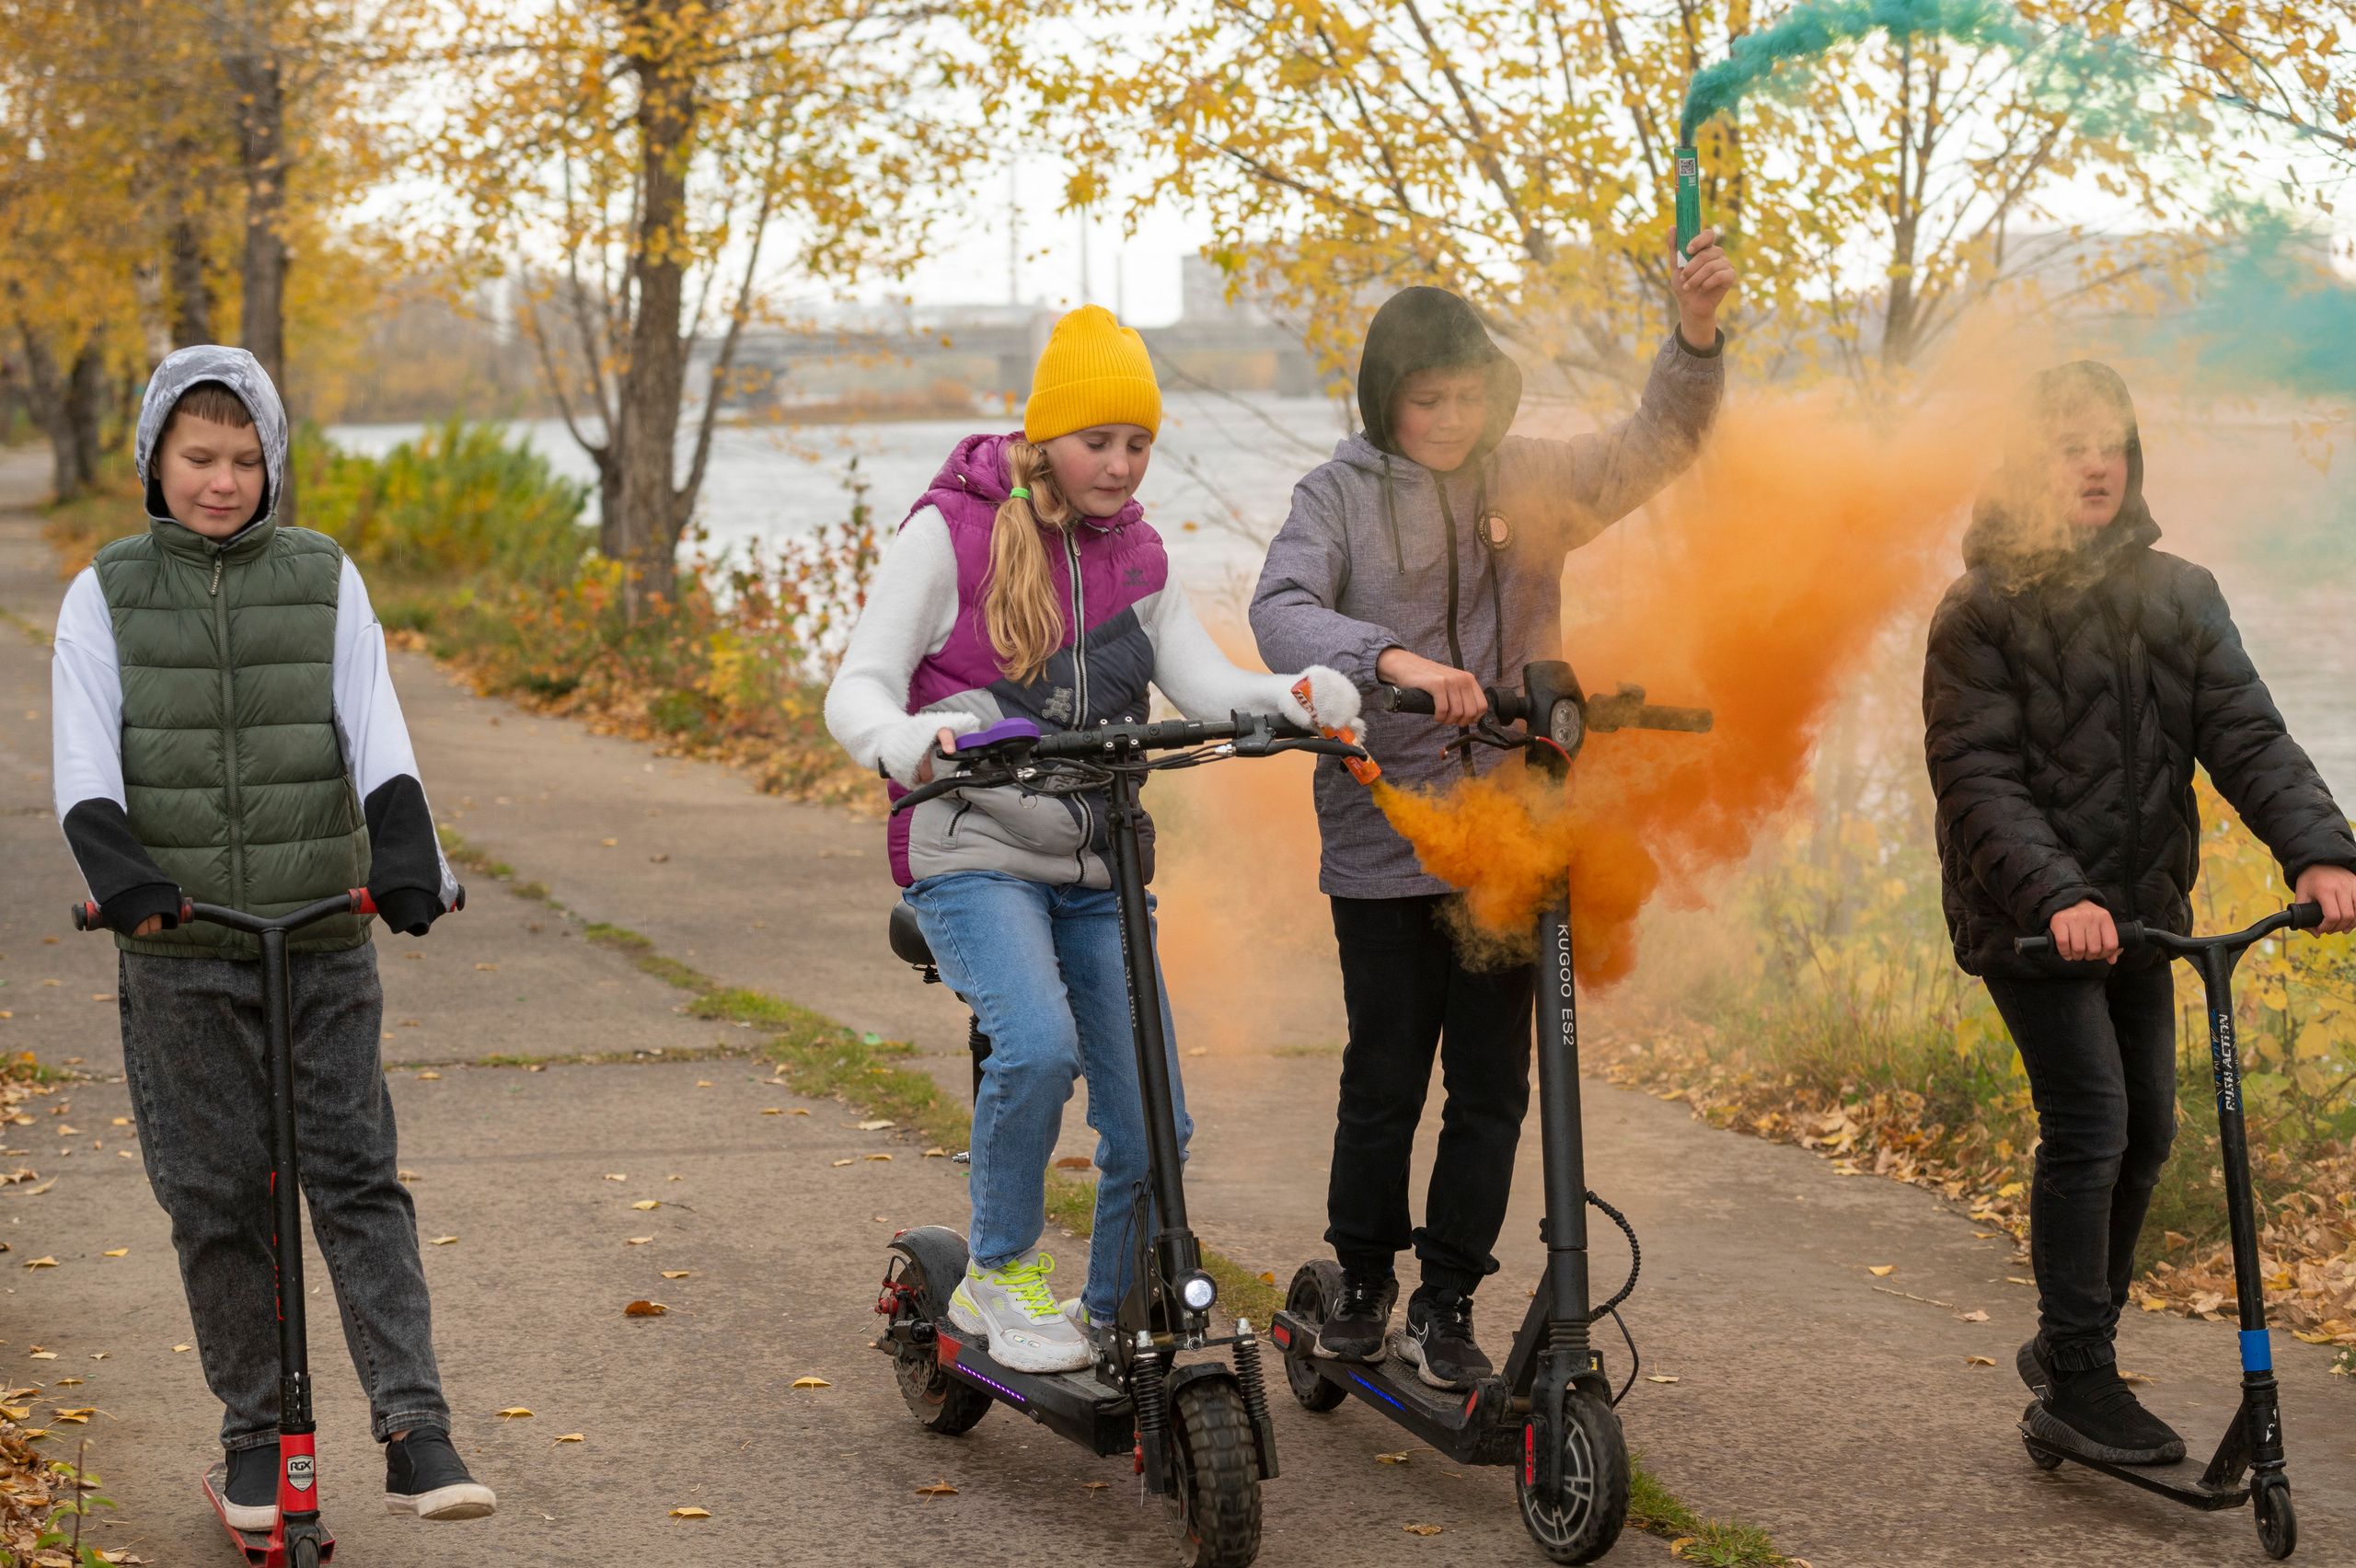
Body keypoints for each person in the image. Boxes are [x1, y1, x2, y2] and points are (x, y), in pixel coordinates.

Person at [826, 306, 1358, 1373]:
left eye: (1138, 443)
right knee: (1038, 1046)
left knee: (1155, 1117)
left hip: (1096, 861)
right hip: (972, 849)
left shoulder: (1139, 557)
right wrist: (905, 740)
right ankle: (999, 1274)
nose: (1120, 465)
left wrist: (1291, 696)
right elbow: (858, 687)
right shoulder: (953, 531)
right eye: (1097, 441)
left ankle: (1111, 1319)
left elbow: (1204, 683)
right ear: (1045, 439)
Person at [1250, 235, 1738, 1388]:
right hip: (1385, 839)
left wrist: (1695, 337)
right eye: (1428, 399)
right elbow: (1278, 610)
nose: (1452, 419)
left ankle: (1448, 1299)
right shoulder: (1335, 499)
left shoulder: (1530, 484)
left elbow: (1655, 446)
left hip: (1515, 836)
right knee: (1384, 1077)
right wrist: (1395, 661)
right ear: (1386, 399)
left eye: (1469, 395)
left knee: (1492, 1086)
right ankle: (1363, 1276)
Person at [49, 347, 491, 1527]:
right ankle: (254, 1438)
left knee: (356, 1180)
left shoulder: (324, 577)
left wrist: (406, 860)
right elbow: (85, 766)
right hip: (184, 949)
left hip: (320, 937)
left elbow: (377, 728)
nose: (222, 481)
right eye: (199, 457)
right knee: (218, 1198)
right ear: (155, 457)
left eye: (247, 459)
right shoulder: (103, 592)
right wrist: (126, 880)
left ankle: (415, 1427)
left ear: (273, 463)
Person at [1923, 360, 2356, 1465]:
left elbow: (2245, 734)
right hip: (2028, 918)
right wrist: (2057, 894)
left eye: (2109, 438)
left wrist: (2317, 852)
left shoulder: (2180, 593)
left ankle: (2072, 1334)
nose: (2095, 459)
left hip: (2144, 914)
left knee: (2151, 1130)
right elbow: (1977, 777)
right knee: (2094, 1123)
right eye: (2068, 441)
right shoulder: (1983, 610)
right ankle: (2078, 1374)